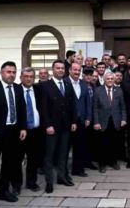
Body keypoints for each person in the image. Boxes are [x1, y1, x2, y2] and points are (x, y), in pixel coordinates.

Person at [0, 61, 27, 207]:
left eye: (14, 72)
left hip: (13, 132)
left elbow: (22, 109)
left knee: (9, 163)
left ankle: (4, 191)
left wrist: (23, 128)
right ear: (1, 73)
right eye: (8, 72)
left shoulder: (18, 89)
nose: (11, 75)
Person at [38, 60, 78, 194]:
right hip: (52, 127)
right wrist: (48, 125)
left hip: (66, 126)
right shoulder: (45, 86)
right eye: (58, 68)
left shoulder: (67, 85)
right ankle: (49, 182)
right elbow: (43, 108)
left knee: (63, 153)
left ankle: (62, 177)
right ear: (53, 70)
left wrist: (73, 121)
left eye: (62, 68)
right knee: (49, 155)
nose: (60, 70)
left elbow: (72, 105)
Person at [93, 71, 127, 172]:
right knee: (103, 143)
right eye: (108, 79)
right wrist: (96, 122)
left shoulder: (119, 90)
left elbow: (123, 106)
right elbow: (95, 108)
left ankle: (113, 162)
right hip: (102, 121)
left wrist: (123, 119)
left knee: (114, 143)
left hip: (115, 121)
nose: (110, 80)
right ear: (104, 80)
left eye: (112, 79)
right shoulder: (98, 90)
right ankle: (102, 164)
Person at [17, 68, 43, 192]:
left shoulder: (38, 90)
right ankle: (16, 184)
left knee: (33, 159)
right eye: (26, 76)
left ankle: (31, 182)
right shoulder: (15, 90)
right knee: (17, 159)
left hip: (35, 131)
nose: (28, 79)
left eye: (31, 77)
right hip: (20, 131)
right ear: (21, 77)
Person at [65, 62, 92, 176]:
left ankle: (78, 169)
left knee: (80, 146)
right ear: (70, 70)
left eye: (78, 70)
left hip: (81, 120)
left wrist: (88, 117)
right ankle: (63, 171)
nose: (77, 72)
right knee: (65, 147)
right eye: (75, 70)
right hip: (68, 121)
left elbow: (88, 102)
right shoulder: (64, 82)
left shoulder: (83, 83)